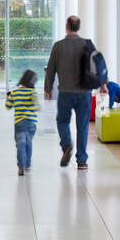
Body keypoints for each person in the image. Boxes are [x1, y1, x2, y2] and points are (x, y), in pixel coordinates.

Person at [44, 14, 94, 169]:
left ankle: (66, 144)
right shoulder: (87, 44)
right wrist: (103, 85)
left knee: (62, 121)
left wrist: (48, 89)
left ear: (66, 27)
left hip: (65, 91)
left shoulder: (58, 46)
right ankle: (82, 161)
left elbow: (51, 69)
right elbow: (96, 67)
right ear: (78, 28)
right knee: (83, 126)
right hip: (84, 92)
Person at [6, 69, 39, 175]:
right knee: (28, 143)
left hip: (19, 122)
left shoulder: (14, 92)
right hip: (31, 123)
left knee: (20, 143)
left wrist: (8, 98)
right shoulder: (33, 92)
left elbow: (8, 107)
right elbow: (36, 106)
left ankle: (21, 165)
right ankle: (27, 164)